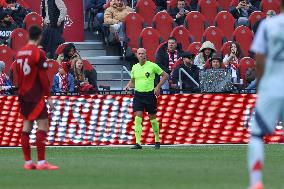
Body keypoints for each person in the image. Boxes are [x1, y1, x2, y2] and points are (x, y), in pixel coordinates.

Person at [248, 1, 284, 188]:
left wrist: (261, 85)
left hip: (272, 86)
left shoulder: (268, 25)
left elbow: (259, 59)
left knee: (256, 135)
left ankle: (256, 182)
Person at [15, 25, 58, 170]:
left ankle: (28, 162)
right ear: (40, 37)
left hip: (23, 94)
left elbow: (17, 75)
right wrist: (49, 96)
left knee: (26, 127)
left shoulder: (20, 53)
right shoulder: (39, 53)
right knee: (43, 125)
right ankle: (41, 162)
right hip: (35, 94)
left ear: (28, 36)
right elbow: (43, 78)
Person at [124, 48, 169, 149]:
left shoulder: (152, 66)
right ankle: (138, 143)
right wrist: (128, 86)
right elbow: (133, 82)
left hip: (149, 95)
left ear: (146, 55)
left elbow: (165, 75)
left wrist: (157, 87)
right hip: (138, 95)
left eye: (143, 53)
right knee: (138, 118)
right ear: (137, 55)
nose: (141, 55)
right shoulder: (134, 67)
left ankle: (157, 140)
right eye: (139, 54)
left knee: (152, 119)